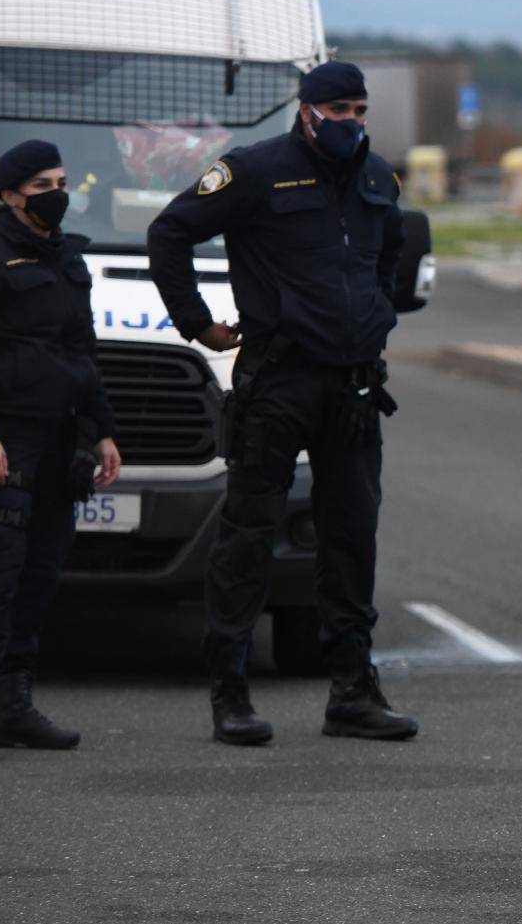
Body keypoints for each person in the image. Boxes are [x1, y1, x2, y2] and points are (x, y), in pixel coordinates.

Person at [147, 61, 415, 746]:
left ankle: (353, 692)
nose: (350, 121)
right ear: (306, 112)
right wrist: (196, 322)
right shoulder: (255, 171)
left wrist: (379, 312)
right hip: (279, 380)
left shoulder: (378, 177)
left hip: (353, 384)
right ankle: (230, 692)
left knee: (351, 536)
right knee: (248, 534)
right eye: (337, 110)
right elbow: (170, 233)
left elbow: (387, 259)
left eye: (359, 109)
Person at [0, 140, 122, 750]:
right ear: (11, 194)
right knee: (1, 573)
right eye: (43, 184)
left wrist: (104, 431)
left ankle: (14, 704)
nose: (57, 194)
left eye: (62, 182)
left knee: (41, 572)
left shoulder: (68, 258)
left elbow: (82, 350)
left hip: (62, 436)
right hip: (10, 436)